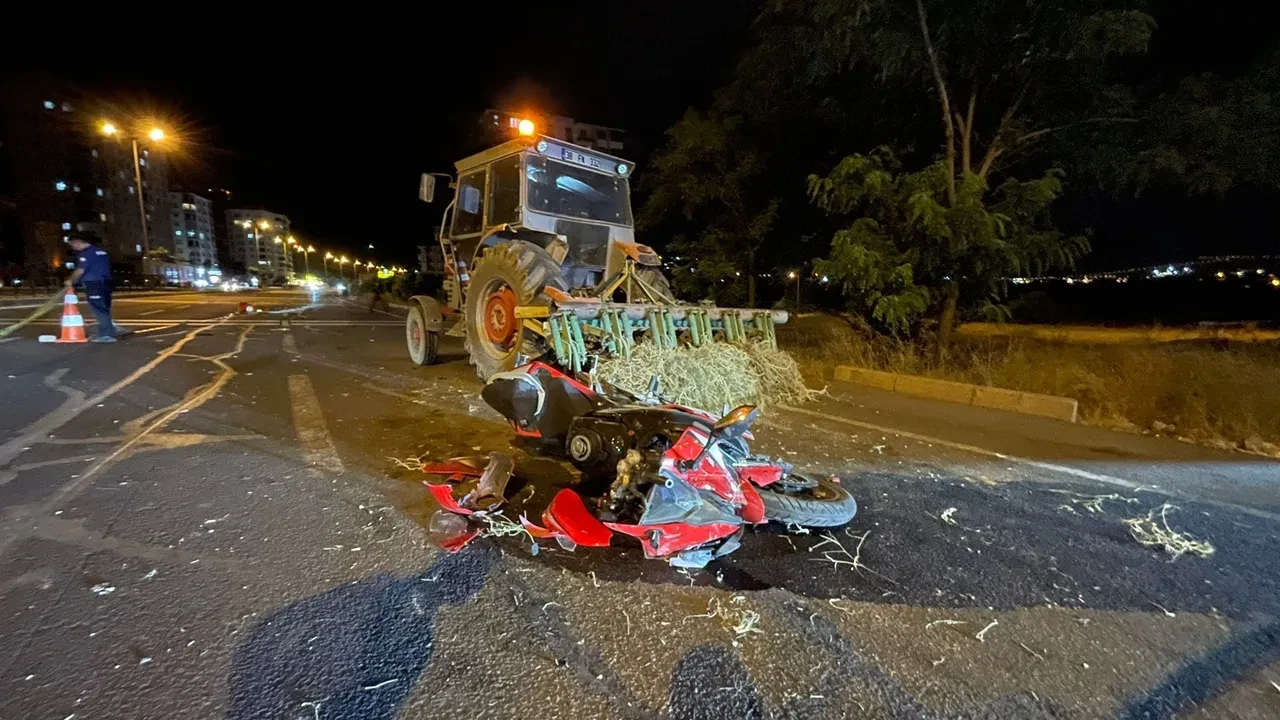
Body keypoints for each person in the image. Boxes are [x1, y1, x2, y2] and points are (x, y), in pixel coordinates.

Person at [66, 233, 124, 343]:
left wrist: (71, 280)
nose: (73, 247)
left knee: (99, 309)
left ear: (77, 242)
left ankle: (106, 335)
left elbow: (80, 270)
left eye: (72, 244)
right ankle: (110, 331)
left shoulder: (86, 253)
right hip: (106, 282)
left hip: (94, 284)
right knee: (104, 308)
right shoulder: (101, 252)